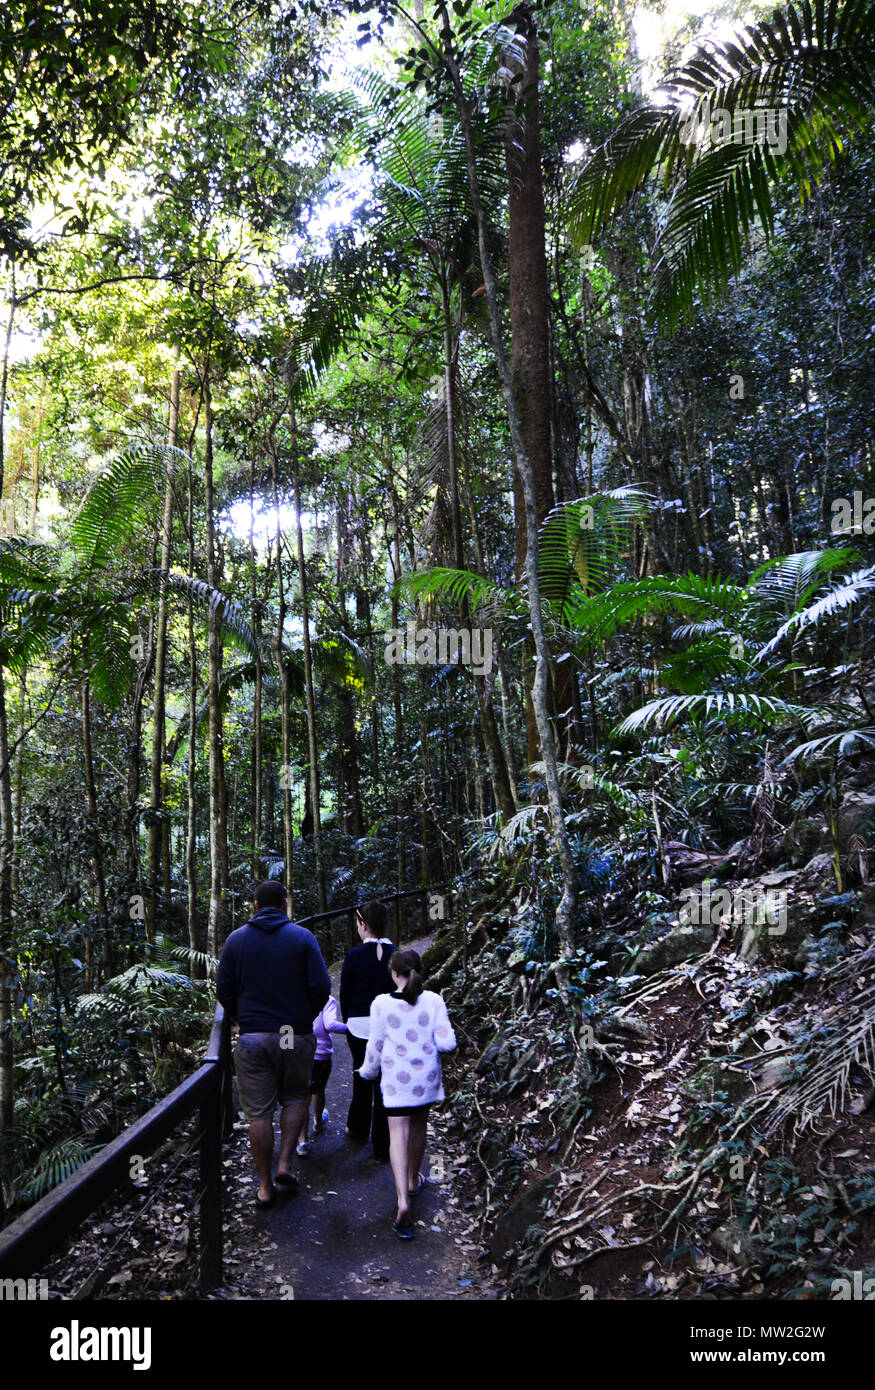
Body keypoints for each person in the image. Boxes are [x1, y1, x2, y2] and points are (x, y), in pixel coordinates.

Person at [217, 880, 330, 1209]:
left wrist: (245, 1021)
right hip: (293, 1034)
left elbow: (224, 991)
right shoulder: (303, 938)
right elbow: (321, 987)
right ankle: (285, 1164)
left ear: (254, 906)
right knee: (296, 1096)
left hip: (254, 1037)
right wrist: (302, 1017)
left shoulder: (236, 941)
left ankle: (265, 1186)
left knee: (258, 1112)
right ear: (284, 905)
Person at [358, 948, 456, 1240]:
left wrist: (366, 1072)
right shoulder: (434, 1001)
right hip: (424, 1080)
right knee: (418, 1128)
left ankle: (403, 1200)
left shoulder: (381, 1005)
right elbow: (447, 1042)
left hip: (395, 1082)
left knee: (397, 1135)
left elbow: (374, 1045)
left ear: (394, 973)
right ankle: (414, 1180)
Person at [339, 901, 395, 1160]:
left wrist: (350, 1019)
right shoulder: (396, 954)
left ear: (363, 925)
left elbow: (345, 995)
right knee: (384, 1083)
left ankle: (358, 1128)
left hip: (359, 1025)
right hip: (388, 1027)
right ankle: (383, 1144)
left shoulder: (353, 956)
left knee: (361, 1075)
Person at [297, 994, 346, 1156]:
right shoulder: (326, 999)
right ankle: (318, 1121)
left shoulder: (295, 995)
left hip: (300, 1054)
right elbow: (330, 1024)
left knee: (303, 1097)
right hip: (321, 1056)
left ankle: (303, 1141)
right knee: (319, 1090)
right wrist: (350, 1028)